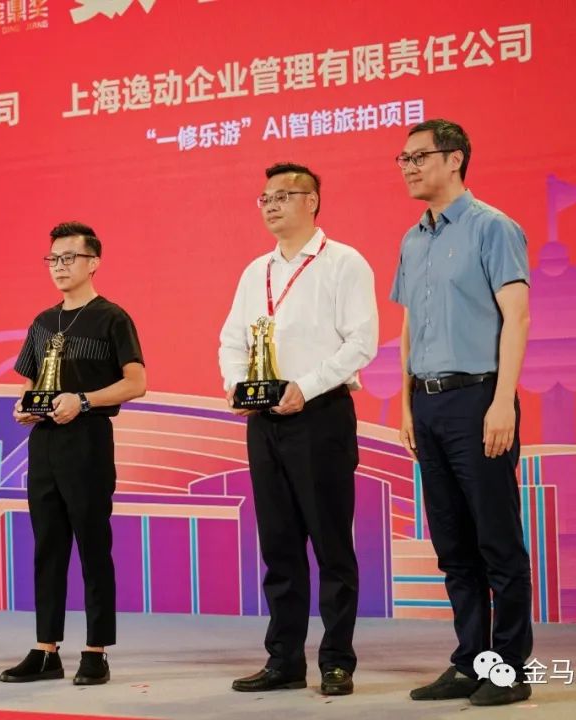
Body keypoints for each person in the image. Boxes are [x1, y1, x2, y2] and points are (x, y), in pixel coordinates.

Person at [218, 163, 378, 696]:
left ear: (312, 201)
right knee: (279, 546)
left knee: (331, 545)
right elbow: (232, 340)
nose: (271, 205)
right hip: (264, 421)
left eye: (283, 195)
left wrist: (304, 388)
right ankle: (284, 659)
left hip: (319, 416)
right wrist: (239, 386)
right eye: (264, 197)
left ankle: (337, 660)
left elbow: (361, 343)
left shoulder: (343, 262)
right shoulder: (254, 272)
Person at [391, 119, 533, 707]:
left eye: (419, 157)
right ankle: (471, 661)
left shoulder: (492, 227)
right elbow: (408, 325)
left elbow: (516, 316)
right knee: (452, 545)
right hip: (427, 404)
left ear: (454, 159)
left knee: (497, 540)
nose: (408, 168)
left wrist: (502, 400)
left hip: (479, 397)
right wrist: (405, 403)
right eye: (402, 159)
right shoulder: (412, 239)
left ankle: (510, 669)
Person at [0, 222, 146, 686]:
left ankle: (96, 649)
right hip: (43, 444)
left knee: (93, 546)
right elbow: (29, 386)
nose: (59, 267)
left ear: (93, 262)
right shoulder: (43, 323)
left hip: (88, 440)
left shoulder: (112, 318)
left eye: (69, 258)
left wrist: (82, 401)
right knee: (47, 547)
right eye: (53, 259)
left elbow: (136, 382)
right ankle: (46, 649)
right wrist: (24, 407)